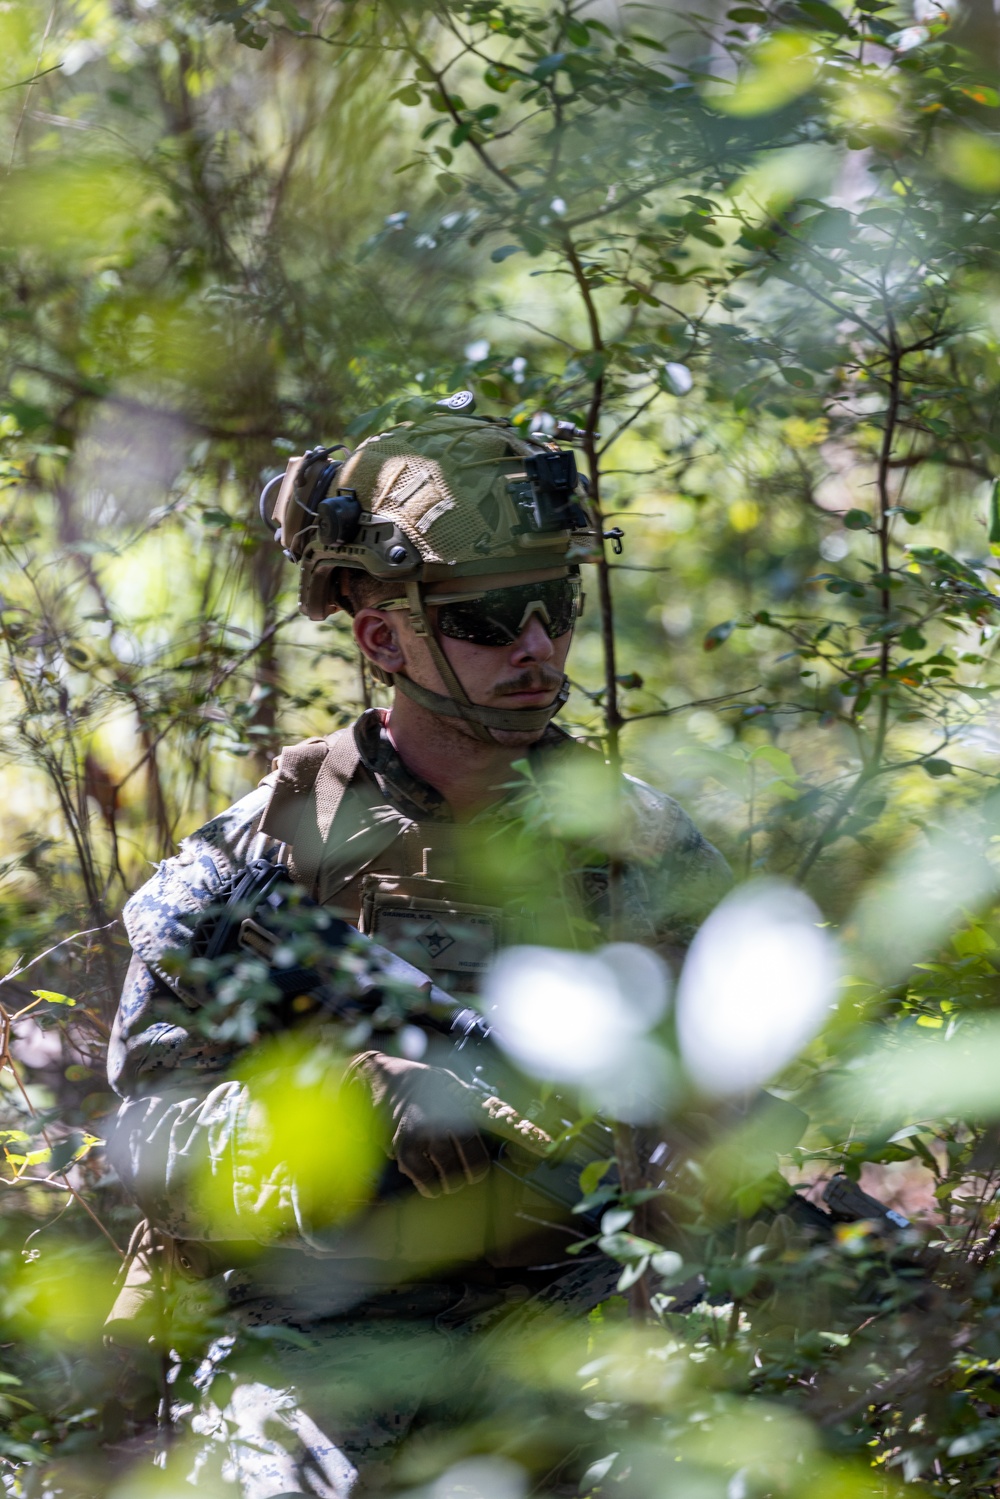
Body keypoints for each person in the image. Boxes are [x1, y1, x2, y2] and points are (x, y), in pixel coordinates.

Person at [105, 395, 731, 1496]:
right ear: (382, 637)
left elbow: (759, 1095)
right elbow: (151, 1138)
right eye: (490, 618)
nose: (537, 648)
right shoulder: (251, 863)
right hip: (315, 1333)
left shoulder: (642, 848)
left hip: (574, 1309)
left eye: (555, 605)